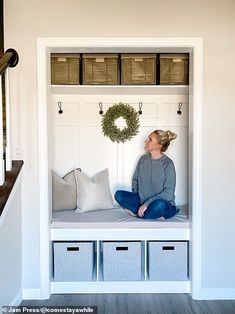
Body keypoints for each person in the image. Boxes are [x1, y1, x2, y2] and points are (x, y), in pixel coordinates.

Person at [114, 129, 179, 219]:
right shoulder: (143, 159)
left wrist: (147, 204)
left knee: (159, 205)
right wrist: (139, 198)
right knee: (119, 195)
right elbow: (135, 180)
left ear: (159, 145)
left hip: (162, 202)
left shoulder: (168, 164)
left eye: (150, 139)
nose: (146, 141)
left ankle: (140, 212)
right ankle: (146, 213)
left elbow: (168, 193)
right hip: (142, 201)